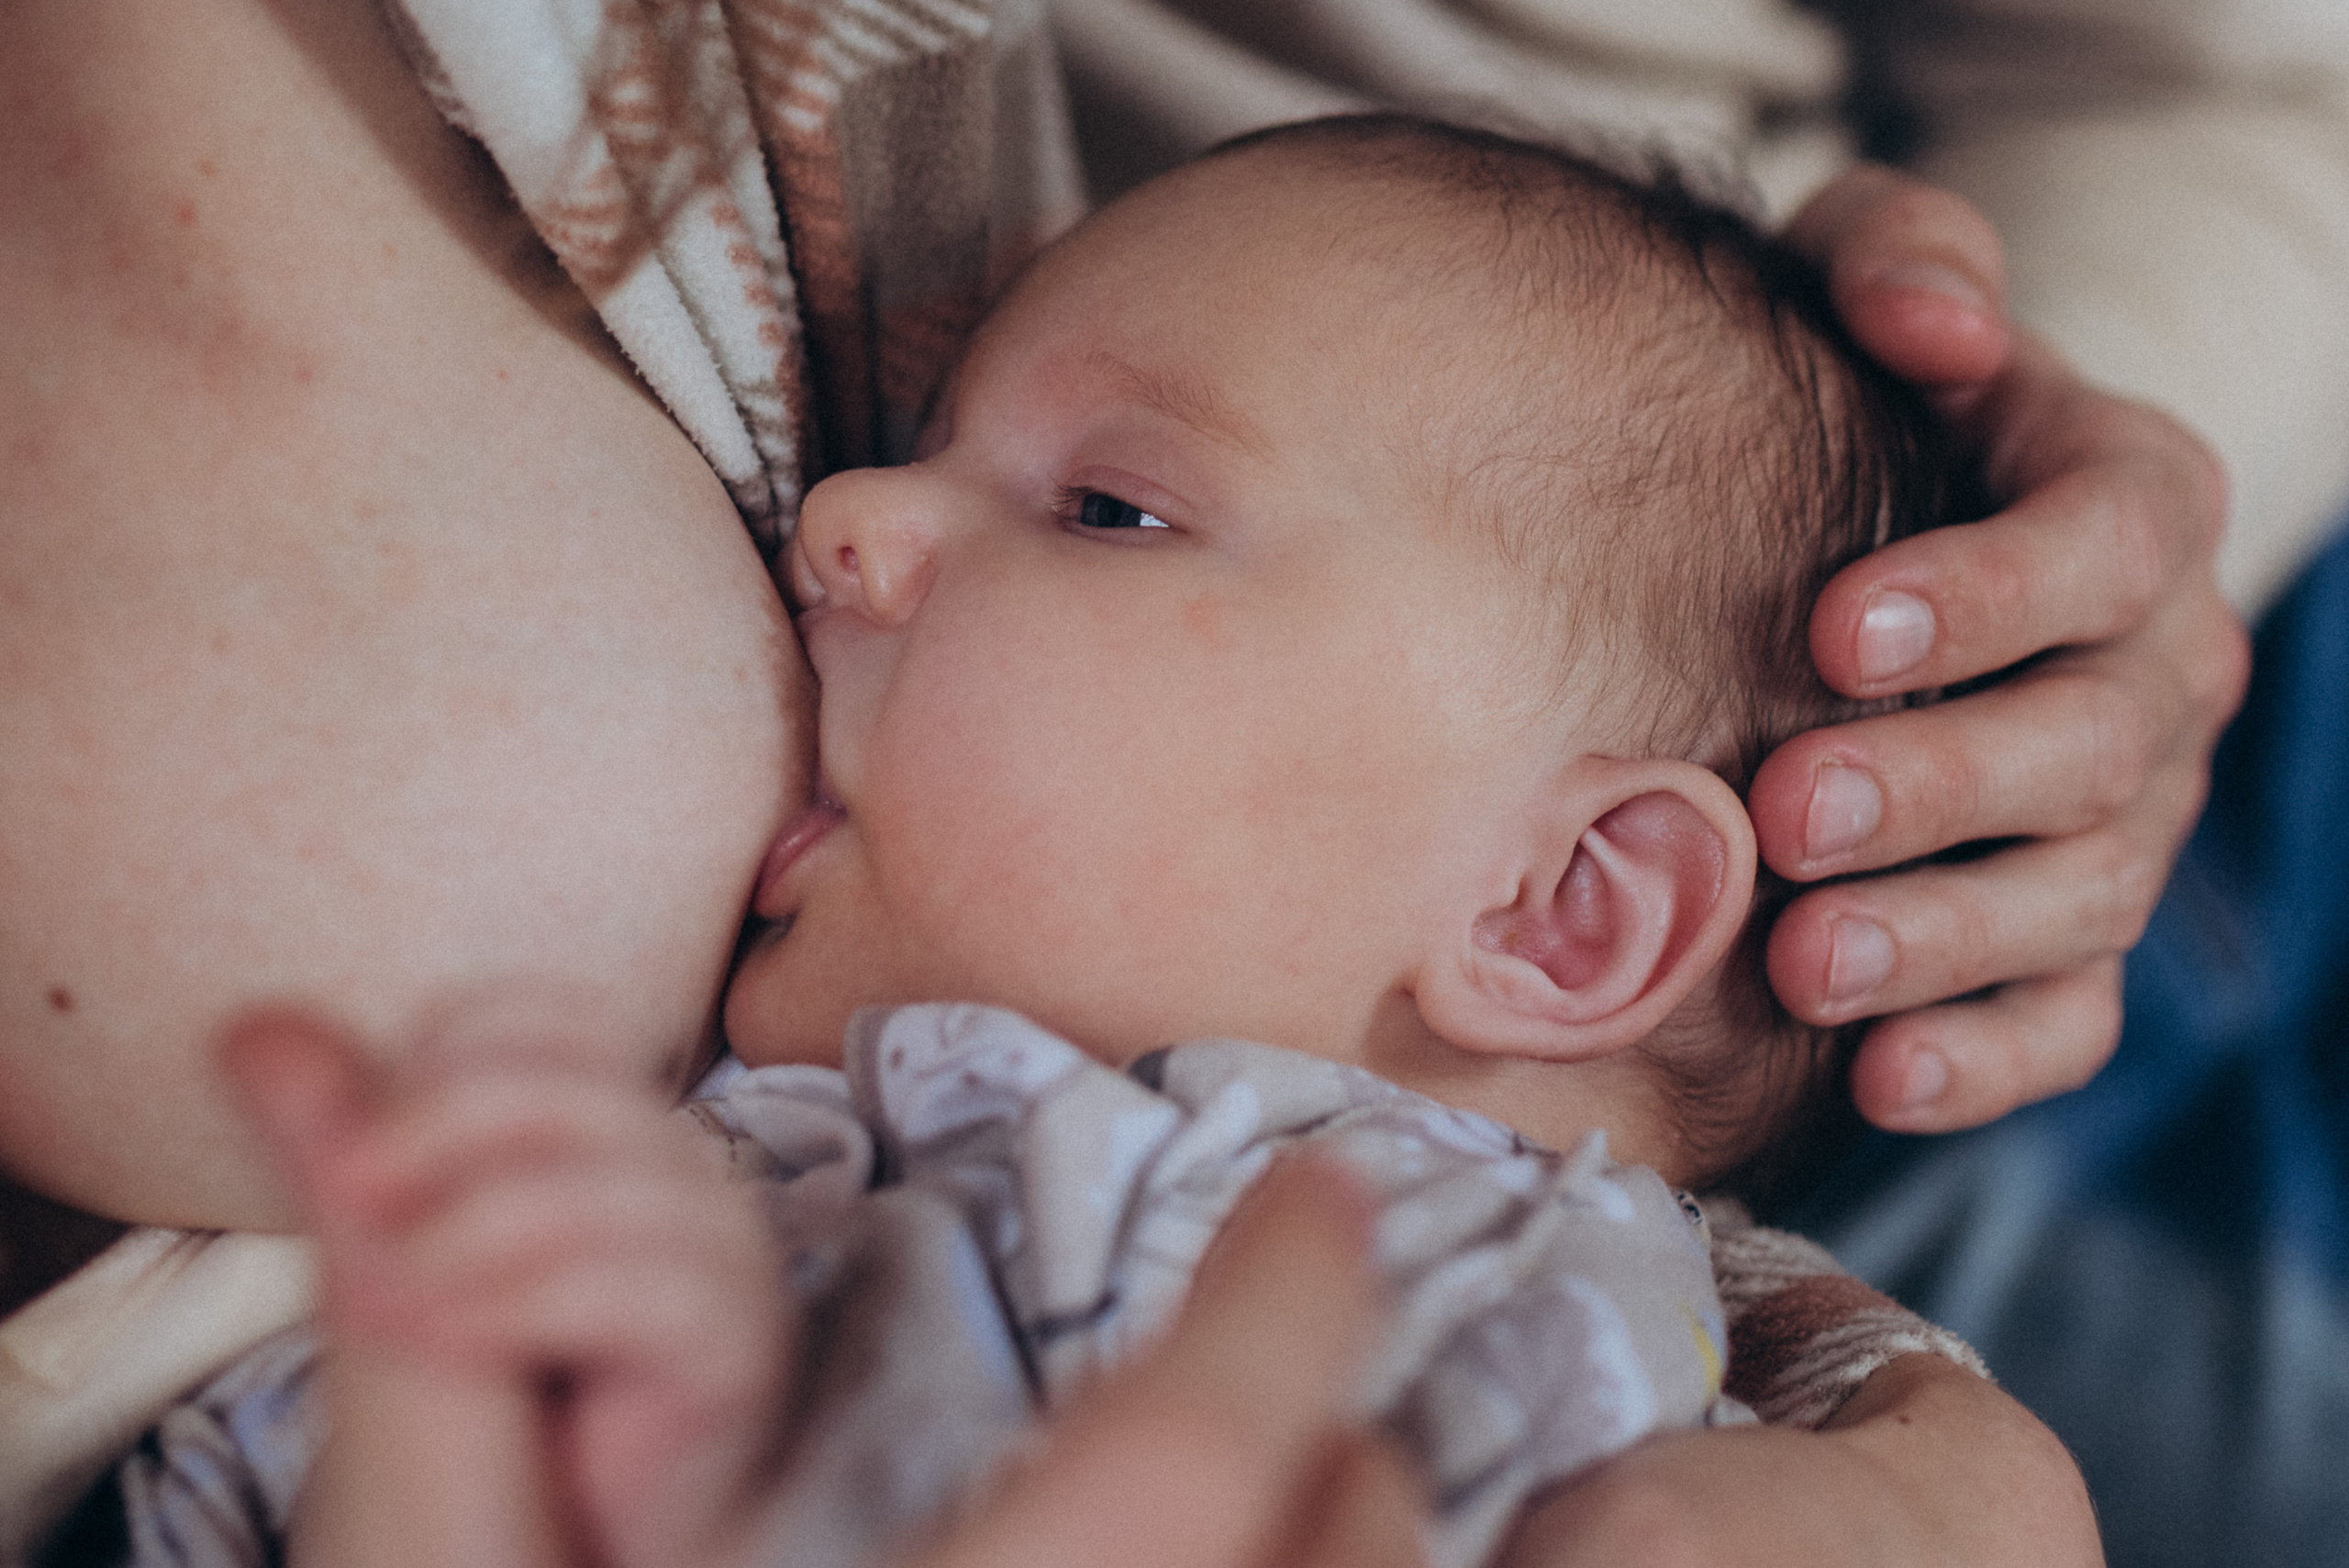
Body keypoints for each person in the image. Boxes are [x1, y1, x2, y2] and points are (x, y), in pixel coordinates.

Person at [0, 0, 2243, 1562]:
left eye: (1105, 512)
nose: (845, 529)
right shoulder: (955, 1158)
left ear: (1562, 911)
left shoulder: (1401, 1312)